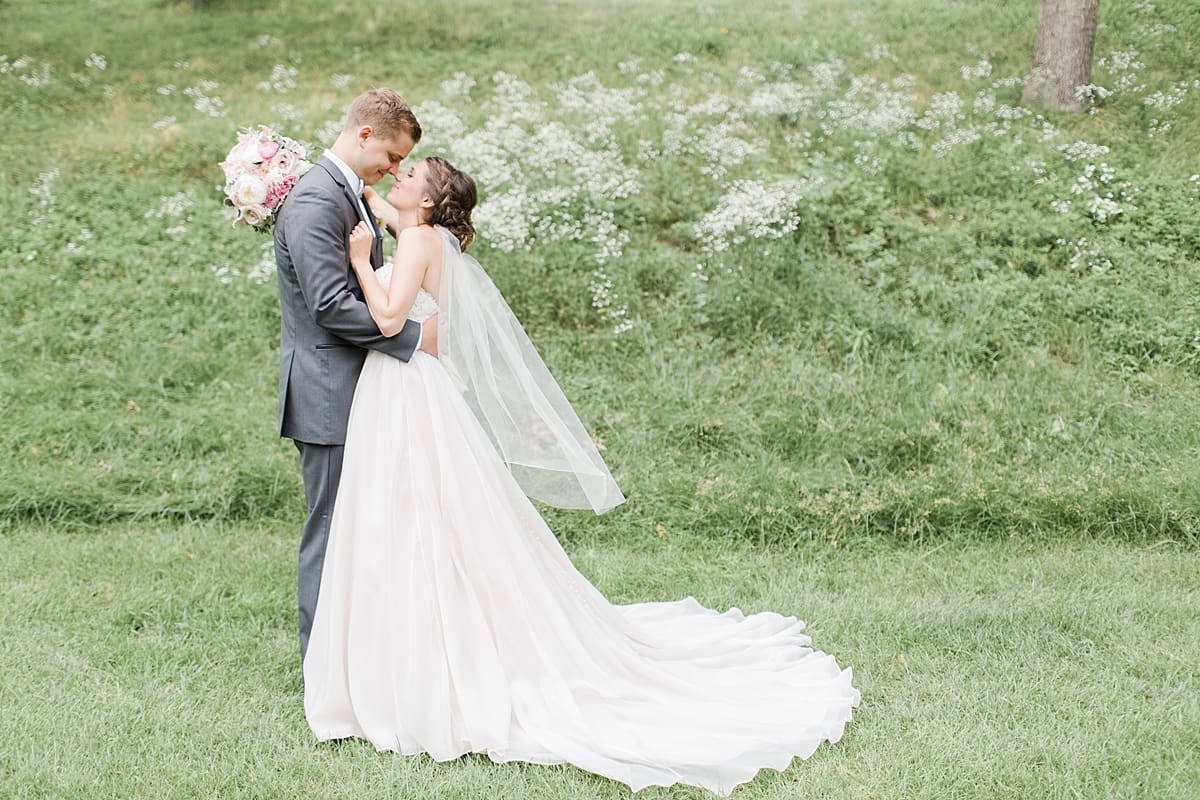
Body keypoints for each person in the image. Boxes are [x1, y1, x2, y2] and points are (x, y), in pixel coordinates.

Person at [302, 155, 860, 796]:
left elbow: (393, 320)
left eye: (409, 178)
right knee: (418, 514)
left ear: (427, 204)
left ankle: (426, 660)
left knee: (413, 513)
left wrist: (359, 264)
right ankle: (409, 649)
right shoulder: (424, 240)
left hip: (408, 392)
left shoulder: (420, 241)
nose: (396, 179)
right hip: (404, 389)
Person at [273, 88, 438, 660]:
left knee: (362, 523)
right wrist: (416, 338)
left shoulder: (347, 189)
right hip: (327, 390)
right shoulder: (318, 200)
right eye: (392, 157)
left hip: (358, 387)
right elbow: (329, 305)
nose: (394, 170)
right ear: (364, 134)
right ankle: (321, 662)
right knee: (333, 527)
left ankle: (362, 653)